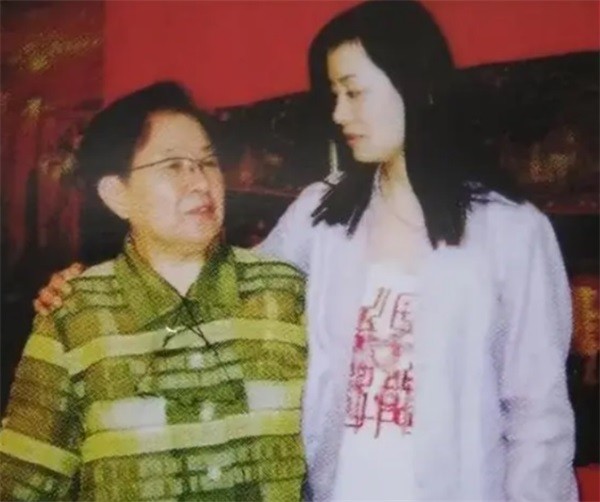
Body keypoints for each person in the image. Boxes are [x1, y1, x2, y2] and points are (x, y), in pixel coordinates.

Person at [30, 1, 577, 500]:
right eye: (333, 95)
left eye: (354, 92)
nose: (339, 114)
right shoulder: (323, 215)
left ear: (417, 84)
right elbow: (223, 291)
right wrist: (89, 288)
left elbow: (538, 415)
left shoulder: (512, 234)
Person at [0, 82, 308, 501]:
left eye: (208, 162)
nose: (200, 181)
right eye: (173, 166)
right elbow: (23, 484)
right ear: (117, 195)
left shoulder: (284, 294)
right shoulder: (75, 316)